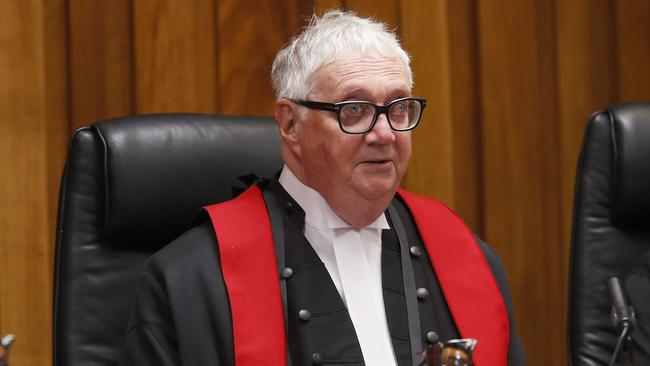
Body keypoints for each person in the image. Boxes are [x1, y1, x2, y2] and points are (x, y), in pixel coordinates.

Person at [120, 10, 525, 366]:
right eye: (354, 109)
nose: (384, 133)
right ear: (290, 124)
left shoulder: (466, 255)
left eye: (398, 107)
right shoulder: (189, 276)